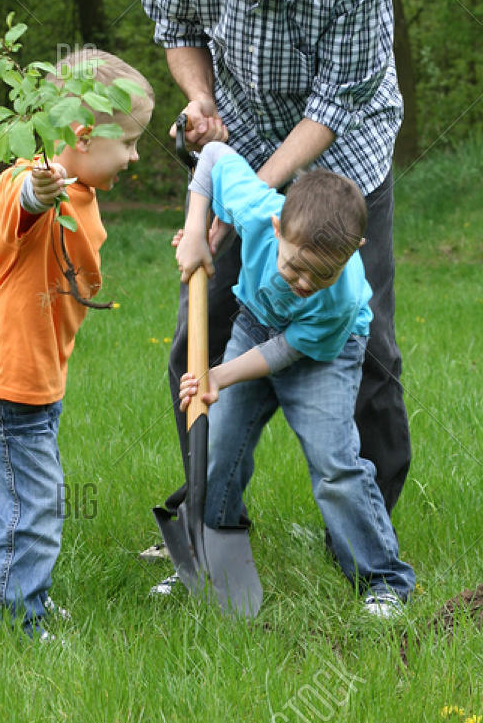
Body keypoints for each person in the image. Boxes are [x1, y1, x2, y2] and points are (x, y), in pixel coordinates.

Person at [141, 0, 410, 516]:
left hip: (340, 157)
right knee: (196, 342)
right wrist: (200, 99)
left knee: (362, 347)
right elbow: (178, 34)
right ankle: (208, 512)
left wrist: (246, 205)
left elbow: (329, 109)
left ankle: (364, 525)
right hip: (240, 134)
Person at [173, 142, 414, 616]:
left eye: (322, 273)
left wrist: (217, 374)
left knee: (334, 463)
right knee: (219, 445)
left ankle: (383, 579)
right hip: (256, 323)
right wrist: (197, 230)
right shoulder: (258, 207)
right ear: (277, 227)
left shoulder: (340, 297)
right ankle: (203, 561)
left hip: (323, 352)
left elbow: (287, 351)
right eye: (296, 266)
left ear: (352, 252)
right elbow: (214, 156)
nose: (305, 283)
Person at [0, 50, 154, 639]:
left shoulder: (83, 192)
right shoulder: (31, 180)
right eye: (127, 142)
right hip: (11, 381)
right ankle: (9, 623)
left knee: (37, 502)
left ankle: (30, 598)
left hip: (37, 381)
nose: (135, 155)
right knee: (29, 512)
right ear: (82, 131)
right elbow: (19, 199)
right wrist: (39, 191)